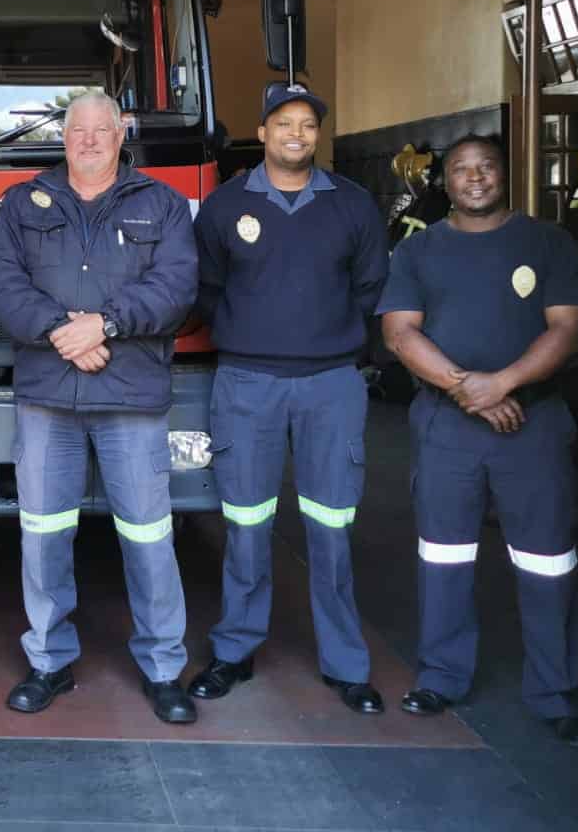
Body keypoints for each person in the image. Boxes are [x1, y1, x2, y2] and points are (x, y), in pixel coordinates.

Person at [0, 92, 200, 723]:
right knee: (44, 536)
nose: (88, 139)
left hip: (130, 395)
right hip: (49, 396)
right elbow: (2, 281)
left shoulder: (162, 203)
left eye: (101, 129)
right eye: (78, 129)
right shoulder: (23, 203)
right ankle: (49, 659)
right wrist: (62, 331)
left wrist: (102, 324)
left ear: (121, 133)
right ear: (64, 135)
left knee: (149, 536)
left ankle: (163, 667)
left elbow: (175, 287)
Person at [378, 134, 578, 748]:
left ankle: (556, 694)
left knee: (547, 560)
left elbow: (569, 330)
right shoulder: (419, 250)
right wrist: (467, 390)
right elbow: (399, 334)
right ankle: (441, 676)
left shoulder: (549, 242)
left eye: (486, 167)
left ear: (505, 173)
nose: (474, 178)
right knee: (444, 556)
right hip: (447, 425)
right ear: (445, 180)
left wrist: (502, 383)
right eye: (461, 169)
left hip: (534, 423)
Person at [189, 81, 389, 715]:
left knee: (331, 528)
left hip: (331, 383)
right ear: (263, 131)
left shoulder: (352, 204)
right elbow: (206, 290)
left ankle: (346, 663)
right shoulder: (224, 206)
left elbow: (372, 289)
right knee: (246, 525)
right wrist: (252, 333)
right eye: (283, 123)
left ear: (317, 135)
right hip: (247, 382)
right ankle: (234, 650)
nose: (296, 134)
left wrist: (333, 342)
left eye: (307, 124)